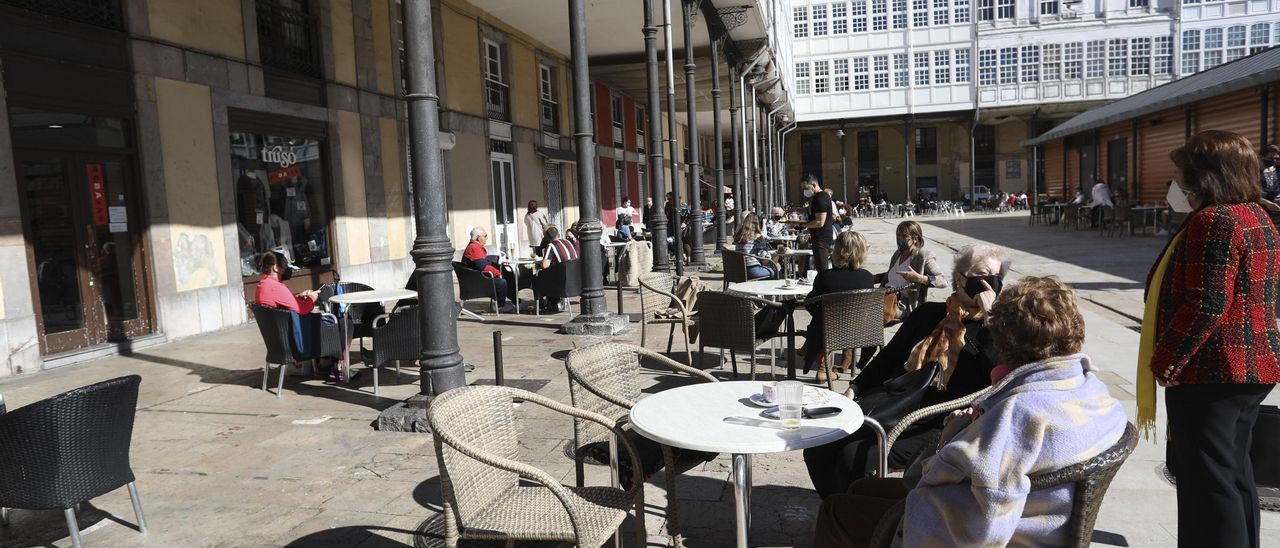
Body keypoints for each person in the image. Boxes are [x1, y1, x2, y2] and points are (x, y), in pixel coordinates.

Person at [814, 277, 1127, 547]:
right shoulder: (1092, 389)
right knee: (860, 488)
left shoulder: (1019, 412)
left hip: (996, 532)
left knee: (835, 509)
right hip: (1042, 518)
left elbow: (985, 522)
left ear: (1004, 342)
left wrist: (949, 441)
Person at [1140, 130, 1280, 548]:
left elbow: (1207, 304)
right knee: (1235, 475)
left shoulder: (1213, 221)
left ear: (1205, 175)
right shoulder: (1258, 215)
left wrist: (1165, 361)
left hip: (1213, 370)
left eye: (1183, 173)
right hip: (1251, 367)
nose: (1179, 182)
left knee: (1209, 485)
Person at [803, 244, 1007, 498]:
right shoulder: (927, 314)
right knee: (818, 447)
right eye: (984, 274)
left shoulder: (997, 331)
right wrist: (856, 387)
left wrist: (991, 317)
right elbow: (888, 358)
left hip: (945, 423)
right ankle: (840, 512)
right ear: (960, 279)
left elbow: (1001, 374)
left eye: (997, 278)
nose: (991, 283)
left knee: (852, 456)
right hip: (898, 407)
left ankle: (862, 519)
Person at [804, 231, 875, 383]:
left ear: (837, 251)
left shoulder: (825, 277)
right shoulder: (867, 277)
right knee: (827, 321)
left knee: (821, 322)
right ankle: (829, 368)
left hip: (828, 332)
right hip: (860, 333)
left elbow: (810, 304)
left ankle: (824, 367)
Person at [878, 221, 948, 323]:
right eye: (898, 235)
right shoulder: (897, 254)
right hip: (886, 296)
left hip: (903, 304)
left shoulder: (923, 256)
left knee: (873, 315)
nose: (899, 239)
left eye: (904, 236)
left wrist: (919, 278)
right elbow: (890, 275)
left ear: (915, 238)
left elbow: (943, 280)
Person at [462, 227, 516, 313]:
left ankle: (516, 301)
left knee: (507, 275)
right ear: (479, 238)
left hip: (477, 278)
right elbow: (482, 266)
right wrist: (498, 272)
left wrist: (499, 267)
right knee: (502, 282)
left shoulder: (474, 246)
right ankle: (500, 306)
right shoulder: (475, 248)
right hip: (478, 282)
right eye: (485, 235)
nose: (487, 238)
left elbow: (485, 262)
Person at [789, 177, 834, 271]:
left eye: (806, 188)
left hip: (821, 239)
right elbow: (810, 210)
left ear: (813, 185)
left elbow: (819, 222)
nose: (805, 191)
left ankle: (824, 284)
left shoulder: (821, 198)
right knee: (819, 266)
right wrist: (796, 209)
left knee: (822, 269)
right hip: (818, 238)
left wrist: (801, 225)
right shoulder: (816, 197)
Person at [733, 213, 777, 280]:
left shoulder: (739, 236)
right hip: (753, 270)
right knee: (777, 273)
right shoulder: (757, 237)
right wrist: (770, 255)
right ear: (757, 223)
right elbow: (763, 257)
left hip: (738, 271)